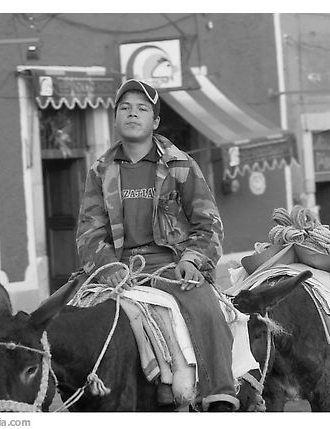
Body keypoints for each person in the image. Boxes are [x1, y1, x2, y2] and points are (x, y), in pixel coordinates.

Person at [76, 79, 241, 411]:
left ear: (155, 122)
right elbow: (89, 231)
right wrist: (107, 266)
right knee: (71, 322)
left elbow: (208, 222)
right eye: (124, 108)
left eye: (141, 108)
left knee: (207, 309)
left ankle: (220, 394)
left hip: (170, 265)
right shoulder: (100, 170)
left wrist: (193, 261)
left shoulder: (179, 165)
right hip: (117, 269)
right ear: (115, 118)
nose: (132, 114)